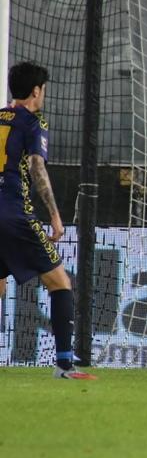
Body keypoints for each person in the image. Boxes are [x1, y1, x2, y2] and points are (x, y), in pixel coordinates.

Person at [0, 61, 96, 380]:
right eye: (43, 90)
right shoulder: (33, 122)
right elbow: (37, 167)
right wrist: (55, 216)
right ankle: (64, 365)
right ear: (36, 91)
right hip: (14, 214)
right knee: (59, 282)